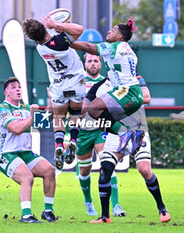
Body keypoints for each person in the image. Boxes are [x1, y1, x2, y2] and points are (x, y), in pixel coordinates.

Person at [43, 16, 145, 156]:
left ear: (120, 36)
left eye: (113, 30)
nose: (109, 31)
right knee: (101, 119)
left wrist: (66, 41)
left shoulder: (113, 47)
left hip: (127, 91)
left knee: (93, 109)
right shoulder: (128, 49)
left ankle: (126, 133)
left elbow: (90, 48)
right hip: (133, 93)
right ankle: (132, 135)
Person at [85, 74, 170, 224]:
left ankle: (162, 208)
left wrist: (118, 102)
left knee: (144, 169)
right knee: (105, 168)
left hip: (137, 129)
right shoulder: (100, 85)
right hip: (116, 133)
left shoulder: (136, 78)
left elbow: (146, 97)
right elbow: (86, 108)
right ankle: (105, 216)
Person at [22, 17, 85, 171]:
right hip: (76, 82)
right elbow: (79, 29)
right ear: (45, 28)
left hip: (58, 86)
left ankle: (58, 145)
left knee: (59, 118)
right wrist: (57, 25)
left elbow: (47, 37)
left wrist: (59, 29)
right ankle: (74, 141)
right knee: (75, 113)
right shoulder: (60, 42)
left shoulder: (39, 47)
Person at [0, 77, 56, 223]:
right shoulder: (3, 109)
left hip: (25, 153)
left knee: (50, 171)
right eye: (13, 87)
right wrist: (32, 115)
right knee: (27, 177)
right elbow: (16, 129)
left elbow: (46, 120)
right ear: (6, 92)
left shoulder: (25, 108)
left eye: (19, 87)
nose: (18, 89)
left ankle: (48, 211)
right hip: (6, 154)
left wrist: (51, 102)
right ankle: (26, 215)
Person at [75, 53, 126, 217]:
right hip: (83, 131)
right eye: (89, 61)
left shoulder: (108, 82)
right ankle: (88, 202)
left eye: (96, 61)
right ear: (85, 63)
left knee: (107, 163)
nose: (92, 64)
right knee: (84, 171)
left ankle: (116, 206)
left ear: (100, 63)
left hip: (101, 129)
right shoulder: (77, 81)